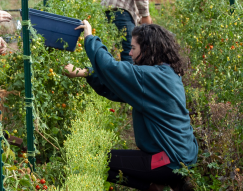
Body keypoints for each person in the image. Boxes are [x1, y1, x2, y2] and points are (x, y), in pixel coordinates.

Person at [63, 21, 197, 191]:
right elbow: (118, 89)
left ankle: (160, 185)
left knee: (94, 158)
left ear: (147, 49)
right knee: (111, 160)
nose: (129, 53)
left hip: (169, 161)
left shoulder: (148, 76)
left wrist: (89, 36)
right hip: (184, 155)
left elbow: (111, 68)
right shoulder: (165, 74)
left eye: (133, 48)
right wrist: (86, 72)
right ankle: (168, 184)